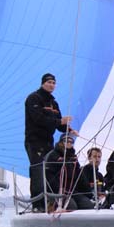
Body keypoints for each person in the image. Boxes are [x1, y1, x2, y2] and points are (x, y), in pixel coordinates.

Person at [24, 72, 75, 212]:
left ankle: (51, 203)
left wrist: (68, 129)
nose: (51, 85)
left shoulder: (54, 103)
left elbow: (58, 125)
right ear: (42, 83)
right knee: (38, 172)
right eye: (49, 82)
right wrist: (59, 121)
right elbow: (38, 119)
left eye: (53, 83)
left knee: (49, 172)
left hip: (48, 143)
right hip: (35, 142)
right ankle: (38, 205)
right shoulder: (33, 98)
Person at [43, 134, 93, 211]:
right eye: (66, 141)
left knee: (88, 205)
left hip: (71, 191)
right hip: (57, 192)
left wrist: (89, 192)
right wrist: (57, 189)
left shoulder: (73, 157)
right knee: (72, 206)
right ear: (60, 142)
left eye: (71, 141)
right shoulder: (53, 156)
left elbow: (79, 175)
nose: (69, 143)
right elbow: (49, 176)